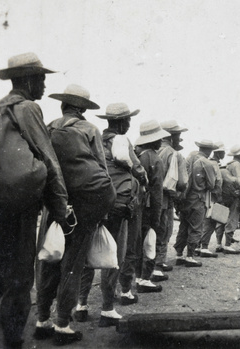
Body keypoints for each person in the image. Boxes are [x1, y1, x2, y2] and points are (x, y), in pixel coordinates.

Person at [0, 52, 68, 349]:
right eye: (41, 78)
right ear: (27, 79)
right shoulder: (28, 108)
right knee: (20, 275)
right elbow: (48, 159)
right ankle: (12, 340)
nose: (44, 84)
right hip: (20, 204)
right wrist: (61, 207)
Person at [37, 84, 116, 346]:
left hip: (56, 201)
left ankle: (41, 320)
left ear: (62, 105)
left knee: (50, 256)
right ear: (82, 109)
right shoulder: (89, 129)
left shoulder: (49, 126)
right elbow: (101, 168)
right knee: (72, 262)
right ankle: (62, 325)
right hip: (84, 203)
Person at [76, 103, 146, 327]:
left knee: (88, 251)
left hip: (94, 200)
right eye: (127, 120)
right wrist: (142, 179)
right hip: (118, 203)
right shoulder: (121, 140)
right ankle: (107, 308)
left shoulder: (95, 138)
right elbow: (136, 168)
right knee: (114, 253)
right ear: (121, 121)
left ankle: (81, 305)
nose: (129, 123)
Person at [119, 120, 169, 299]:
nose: (160, 142)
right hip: (149, 208)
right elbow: (157, 192)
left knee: (136, 243)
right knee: (151, 241)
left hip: (136, 206)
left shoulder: (138, 156)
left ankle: (136, 277)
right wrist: (157, 217)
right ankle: (144, 278)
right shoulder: (155, 159)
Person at [174, 140, 220, 264]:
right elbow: (211, 185)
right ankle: (190, 256)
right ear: (210, 150)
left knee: (183, 226)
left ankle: (179, 255)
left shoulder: (189, 158)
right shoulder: (207, 163)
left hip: (185, 198)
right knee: (196, 228)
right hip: (198, 198)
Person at [156, 120, 188, 272]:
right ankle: (158, 262)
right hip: (166, 198)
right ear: (172, 137)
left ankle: (148, 262)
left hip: (150, 197)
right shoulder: (174, 154)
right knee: (164, 230)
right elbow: (181, 182)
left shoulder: (150, 150)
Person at [222, 145, 240, 254]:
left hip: (229, 195)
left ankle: (225, 243)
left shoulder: (229, 165)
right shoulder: (237, 165)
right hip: (236, 195)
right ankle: (227, 245)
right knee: (233, 219)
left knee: (228, 218)